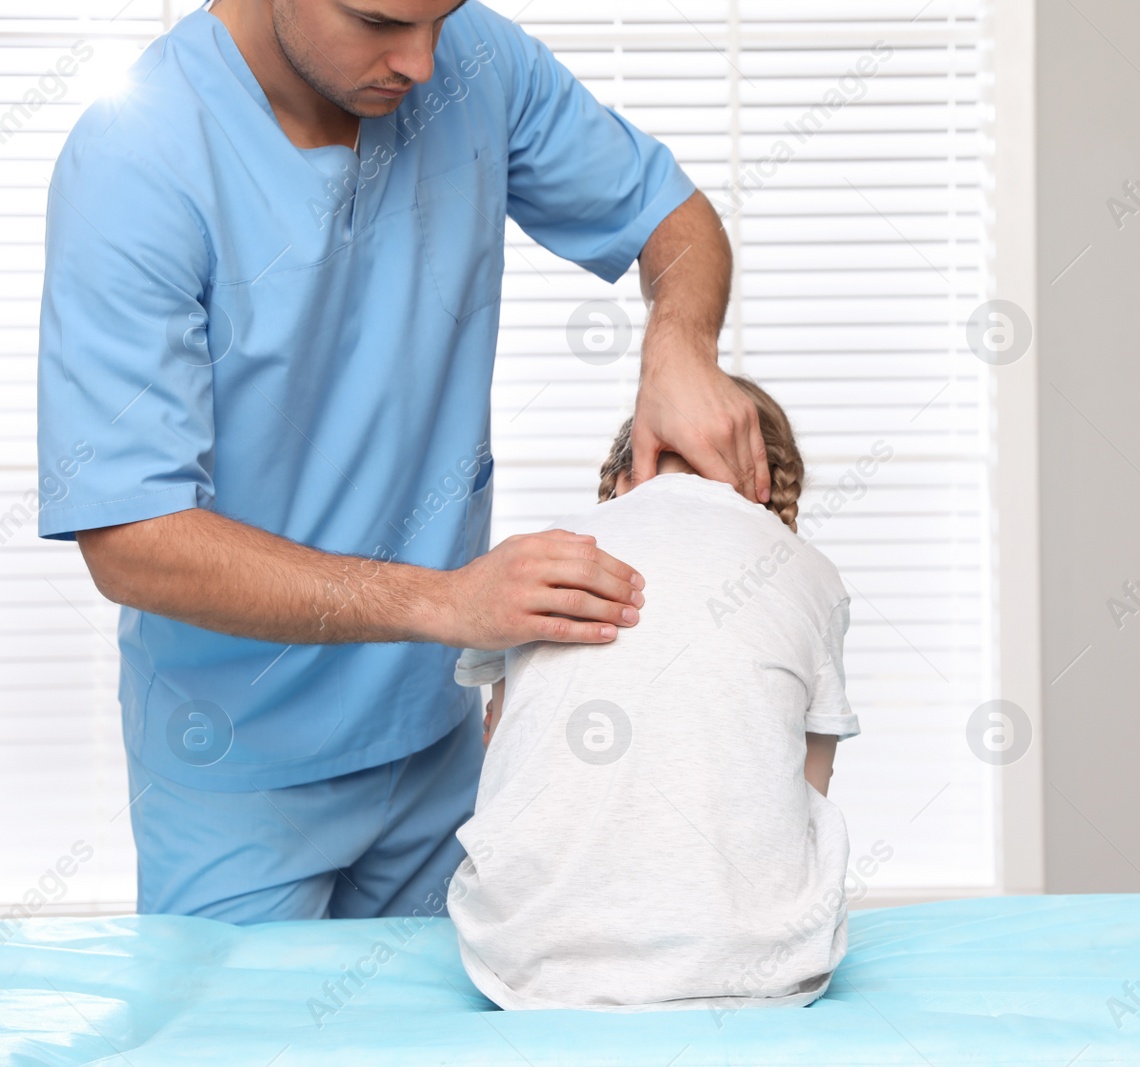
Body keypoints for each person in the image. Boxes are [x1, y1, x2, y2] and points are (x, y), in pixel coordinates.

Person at [34, 0, 770, 923]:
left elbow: (674, 217)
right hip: (235, 763)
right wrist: (449, 601)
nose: (422, 62)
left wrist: (680, 346)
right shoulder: (133, 160)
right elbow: (131, 536)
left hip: (435, 742)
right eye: (380, 21)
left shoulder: (476, 59)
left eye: (442, 15)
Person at [449, 378, 858, 1011]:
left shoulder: (536, 556)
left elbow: (504, 743)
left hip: (524, 962)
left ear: (622, 475)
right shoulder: (809, 572)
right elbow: (809, 786)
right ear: (764, 486)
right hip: (758, 969)